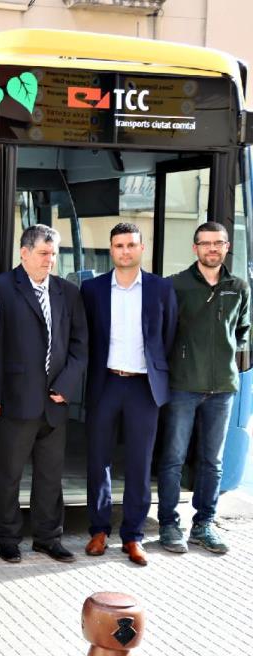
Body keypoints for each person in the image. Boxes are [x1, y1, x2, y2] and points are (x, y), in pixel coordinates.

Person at [0, 225, 87, 564]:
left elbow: (79, 346)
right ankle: (8, 537)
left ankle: (47, 537)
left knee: (50, 476)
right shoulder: (0, 287)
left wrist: (66, 386)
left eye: (54, 254)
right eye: (44, 253)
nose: (50, 260)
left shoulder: (67, 292)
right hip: (14, 401)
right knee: (7, 475)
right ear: (24, 252)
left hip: (55, 403)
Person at [81, 223, 176, 566]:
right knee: (98, 460)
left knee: (139, 462)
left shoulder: (160, 288)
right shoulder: (91, 290)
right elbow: (86, 338)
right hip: (104, 383)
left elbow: (167, 337)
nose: (125, 251)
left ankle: (133, 536)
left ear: (141, 248)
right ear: (111, 250)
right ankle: (99, 530)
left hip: (142, 386)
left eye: (131, 245)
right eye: (119, 245)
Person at [158, 221, 250, 555]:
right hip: (183, 385)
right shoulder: (176, 285)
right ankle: (168, 524)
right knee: (173, 458)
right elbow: (164, 330)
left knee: (213, 461)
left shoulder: (237, 286)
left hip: (222, 387)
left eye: (219, 243)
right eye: (206, 243)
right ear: (195, 248)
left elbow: (242, 331)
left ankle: (204, 524)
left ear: (227, 247)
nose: (212, 248)